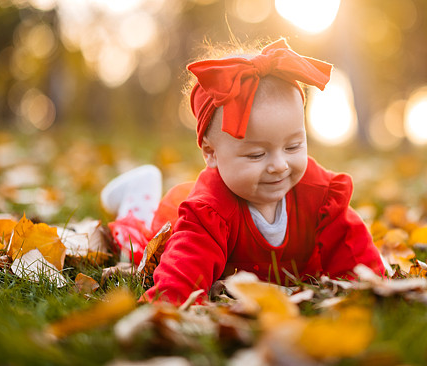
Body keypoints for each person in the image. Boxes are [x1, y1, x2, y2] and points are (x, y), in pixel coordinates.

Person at [103, 38, 385, 305]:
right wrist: (167, 307)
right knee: (138, 249)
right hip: (177, 223)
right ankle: (137, 199)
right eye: (256, 154)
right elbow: (183, 272)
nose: (279, 165)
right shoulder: (209, 211)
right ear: (211, 153)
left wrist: (373, 290)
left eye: (293, 146)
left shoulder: (321, 195)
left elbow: (353, 250)